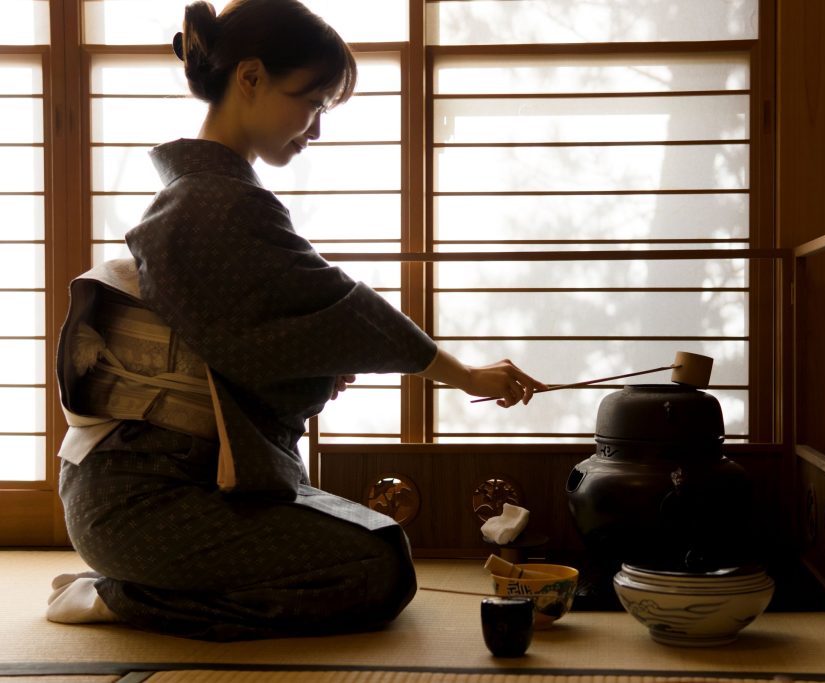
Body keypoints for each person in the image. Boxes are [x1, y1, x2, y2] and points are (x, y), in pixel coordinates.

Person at [46, 0, 546, 641]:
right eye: (310, 103)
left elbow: (276, 336)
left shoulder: (213, 196)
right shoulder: (212, 203)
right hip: (145, 499)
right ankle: (120, 598)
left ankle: (144, 584)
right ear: (249, 78)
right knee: (376, 569)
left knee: (382, 539)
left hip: (158, 487)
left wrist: (314, 362)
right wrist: (466, 375)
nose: (314, 129)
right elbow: (346, 310)